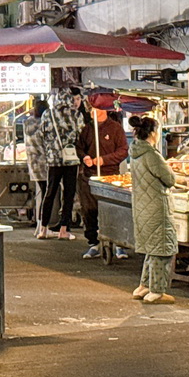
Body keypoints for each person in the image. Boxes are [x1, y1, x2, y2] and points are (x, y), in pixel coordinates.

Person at [127, 115, 177, 305]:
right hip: (156, 207)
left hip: (142, 206)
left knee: (151, 248)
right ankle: (156, 291)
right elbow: (169, 179)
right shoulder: (151, 154)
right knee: (162, 249)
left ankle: (144, 286)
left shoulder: (137, 152)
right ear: (153, 133)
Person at [77, 94, 129, 260]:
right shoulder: (87, 129)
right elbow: (79, 148)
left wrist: (103, 160)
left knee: (114, 212)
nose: (93, 111)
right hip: (89, 177)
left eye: (96, 108)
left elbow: (123, 151)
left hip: (110, 176)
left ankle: (120, 245)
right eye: (91, 108)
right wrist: (84, 157)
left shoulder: (115, 128)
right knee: (89, 211)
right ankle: (94, 243)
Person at [38, 87, 83, 240]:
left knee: (49, 193)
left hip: (53, 159)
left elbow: (41, 134)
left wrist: (51, 148)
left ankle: (43, 229)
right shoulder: (76, 114)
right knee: (69, 194)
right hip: (71, 159)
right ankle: (64, 230)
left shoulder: (47, 114)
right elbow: (80, 134)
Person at [23, 98, 52, 238]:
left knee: (42, 194)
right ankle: (42, 225)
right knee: (47, 195)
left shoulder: (27, 123)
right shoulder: (44, 124)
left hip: (33, 164)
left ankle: (40, 225)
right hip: (45, 164)